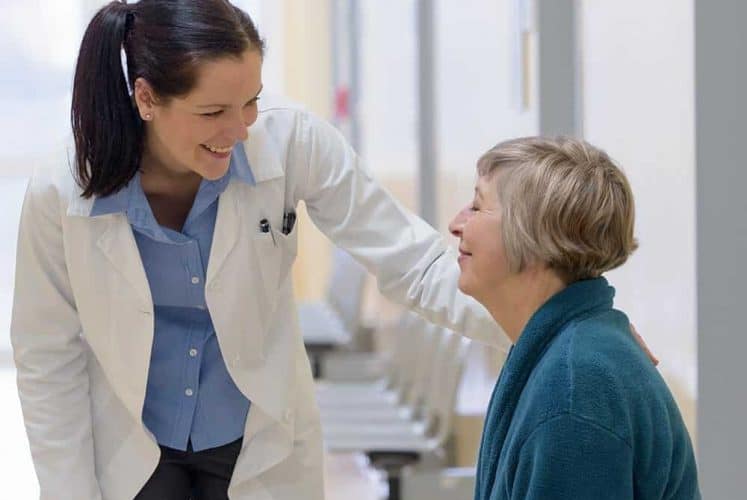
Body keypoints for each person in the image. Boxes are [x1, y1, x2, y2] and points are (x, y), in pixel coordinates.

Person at [10, 1, 508, 499]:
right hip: (131, 448)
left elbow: (412, 260)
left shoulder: (291, 142)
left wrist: (539, 317)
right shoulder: (62, 191)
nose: (241, 130)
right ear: (146, 98)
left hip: (253, 443)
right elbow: (47, 354)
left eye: (251, 101)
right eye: (213, 112)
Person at [448, 137, 700, 499]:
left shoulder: (574, 391)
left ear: (533, 236)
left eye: (477, 205)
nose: (456, 224)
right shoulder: (573, 354)